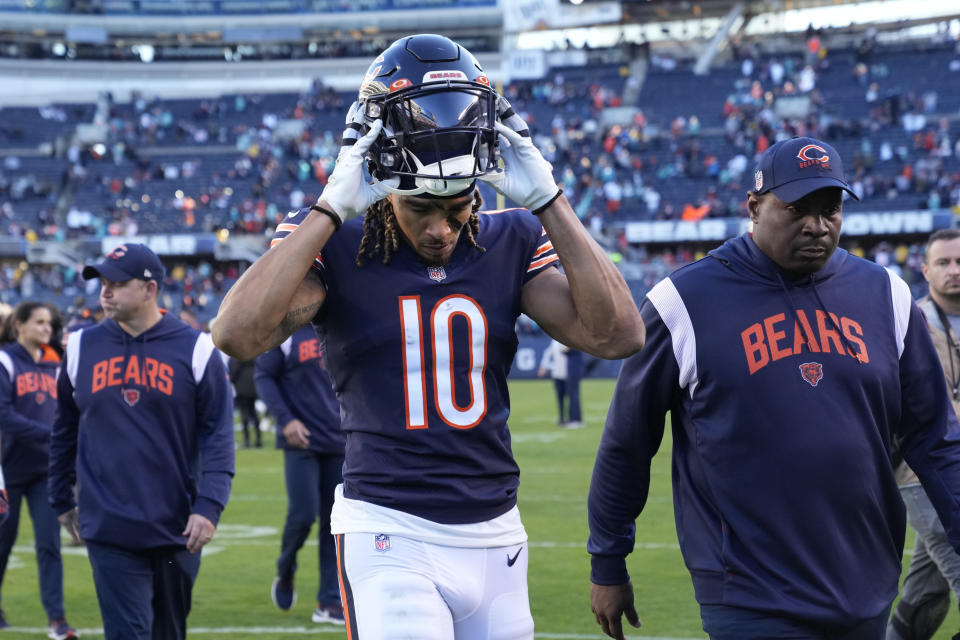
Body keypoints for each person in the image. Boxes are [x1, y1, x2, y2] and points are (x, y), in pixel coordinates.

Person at [213, 34, 644, 639]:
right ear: (387, 188)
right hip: (390, 527)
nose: (443, 228)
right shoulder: (337, 241)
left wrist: (550, 200)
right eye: (422, 208)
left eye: (460, 205)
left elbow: (619, 335)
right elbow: (236, 335)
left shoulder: (512, 236)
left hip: (498, 530)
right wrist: (329, 209)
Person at [587, 136, 960, 640]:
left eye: (830, 209)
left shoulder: (886, 295)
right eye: (796, 209)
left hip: (866, 578)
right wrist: (608, 561)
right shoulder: (683, 301)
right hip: (748, 591)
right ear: (754, 207)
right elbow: (628, 442)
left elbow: (935, 439)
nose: (817, 224)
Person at [47, 243, 236, 640]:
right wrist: (61, 498)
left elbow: (218, 435)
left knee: (168, 632)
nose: (105, 293)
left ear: (150, 289)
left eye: (117, 283)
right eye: (102, 283)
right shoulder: (80, 347)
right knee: (128, 633)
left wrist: (209, 505)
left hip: (178, 524)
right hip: (108, 523)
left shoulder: (198, 349)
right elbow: (64, 427)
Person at [887, 229, 960, 640]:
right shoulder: (907, 323)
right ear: (925, 269)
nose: (955, 271)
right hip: (923, 474)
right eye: (945, 263)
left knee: (925, 597)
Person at [255, 325, 345, 624]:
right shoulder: (286, 331)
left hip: (340, 439)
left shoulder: (343, 325)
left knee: (335, 525)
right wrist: (286, 421)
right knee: (303, 515)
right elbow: (263, 375)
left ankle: (329, 601)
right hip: (300, 440)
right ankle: (286, 568)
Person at [0, 302, 78, 639]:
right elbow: (2, 414)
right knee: (3, 543)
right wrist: (48, 434)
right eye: (40, 322)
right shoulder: (4, 360)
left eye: (50, 322)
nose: (47, 328)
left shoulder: (55, 363)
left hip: (46, 469)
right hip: (7, 469)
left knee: (50, 544)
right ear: (19, 325)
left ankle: (57, 618)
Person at [537, 339, 584, 428]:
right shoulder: (554, 341)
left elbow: (569, 353)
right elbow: (549, 352)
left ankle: (574, 419)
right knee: (560, 396)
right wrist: (544, 366)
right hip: (557, 373)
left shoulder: (569, 339)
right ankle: (562, 418)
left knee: (572, 396)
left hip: (568, 373)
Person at [229, 356, 261, 448]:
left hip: (242, 388)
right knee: (253, 413)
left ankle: (247, 441)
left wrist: (230, 380)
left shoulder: (238, 356)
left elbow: (234, 372)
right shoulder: (253, 355)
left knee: (244, 414)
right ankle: (258, 440)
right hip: (253, 386)